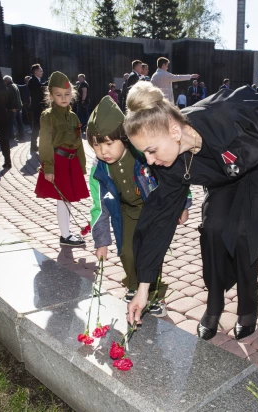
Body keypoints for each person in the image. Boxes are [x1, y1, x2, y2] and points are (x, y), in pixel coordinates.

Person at [124, 82, 258, 341]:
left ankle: (248, 305)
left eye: (151, 150)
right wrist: (143, 288)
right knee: (212, 230)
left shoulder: (223, 111)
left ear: (174, 130)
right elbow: (159, 222)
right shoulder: (168, 165)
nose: (149, 161)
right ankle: (214, 305)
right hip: (225, 177)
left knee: (243, 233)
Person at [87, 96, 191, 314]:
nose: (103, 151)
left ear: (124, 139)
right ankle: (135, 287)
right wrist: (102, 241)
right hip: (126, 211)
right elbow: (99, 208)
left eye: (108, 143)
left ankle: (155, 295)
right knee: (126, 251)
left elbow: (174, 177)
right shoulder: (99, 171)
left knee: (150, 251)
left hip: (151, 209)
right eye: (97, 145)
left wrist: (184, 203)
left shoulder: (143, 155)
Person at [34, 71, 89, 246]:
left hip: (72, 162)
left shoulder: (73, 116)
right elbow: (45, 143)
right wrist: (48, 167)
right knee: (63, 200)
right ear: (51, 95)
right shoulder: (48, 116)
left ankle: (67, 233)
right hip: (58, 161)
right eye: (58, 95)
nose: (63, 98)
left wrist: (82, 165)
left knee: (68, 199)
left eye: (67, 95)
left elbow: (78, 142)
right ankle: (65, 235)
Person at [28, 64, 48, 152]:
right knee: (36, 126)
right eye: (40, 70)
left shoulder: (36, 80)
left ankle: (34, 145)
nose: (42, 72)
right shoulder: (33, 80)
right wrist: (47, 82)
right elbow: (39, 89)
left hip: (38, 106)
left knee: (38, 126)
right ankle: (33, 145)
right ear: (35, 71)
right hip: (37, 107)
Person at [4, 75, 24, 141]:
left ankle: (11, 135)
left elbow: (11, 98)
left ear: (7, 81)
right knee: (19, 122)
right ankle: (21, 135)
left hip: (13, 107)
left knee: (11, 122)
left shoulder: (9, 87)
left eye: (4, 81)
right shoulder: (15, 86)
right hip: (18, 106)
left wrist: (12, 107)